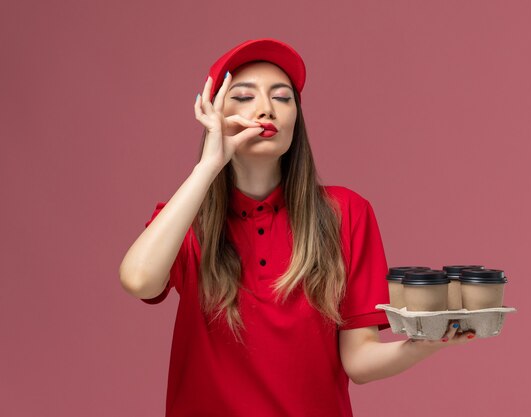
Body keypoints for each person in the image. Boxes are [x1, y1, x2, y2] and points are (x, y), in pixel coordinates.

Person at [119, 38, 475, 417]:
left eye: (282, 97)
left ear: (296, 118)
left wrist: (424, 343)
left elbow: (358, 361)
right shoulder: (186, 218)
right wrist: (208, 166)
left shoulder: (346, 213)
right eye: (242, 96)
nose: (266, 109)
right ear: (213, 114)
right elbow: (139, 279)